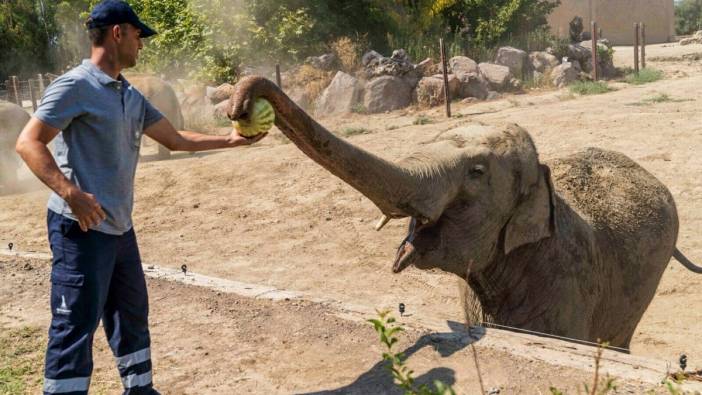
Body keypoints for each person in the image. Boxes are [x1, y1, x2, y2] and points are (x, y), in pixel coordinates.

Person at [14, 1, 265, 393]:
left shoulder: (128, 94)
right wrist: (71, 193)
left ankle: (140, 389)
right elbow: (28, 143)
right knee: (74, 325)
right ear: (118, 33)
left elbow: (176, 139)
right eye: (138, 35)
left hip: (119, 227)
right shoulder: (74, 86)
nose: (141, 45)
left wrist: (233, 140)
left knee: (130, 316)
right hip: (79, 228)